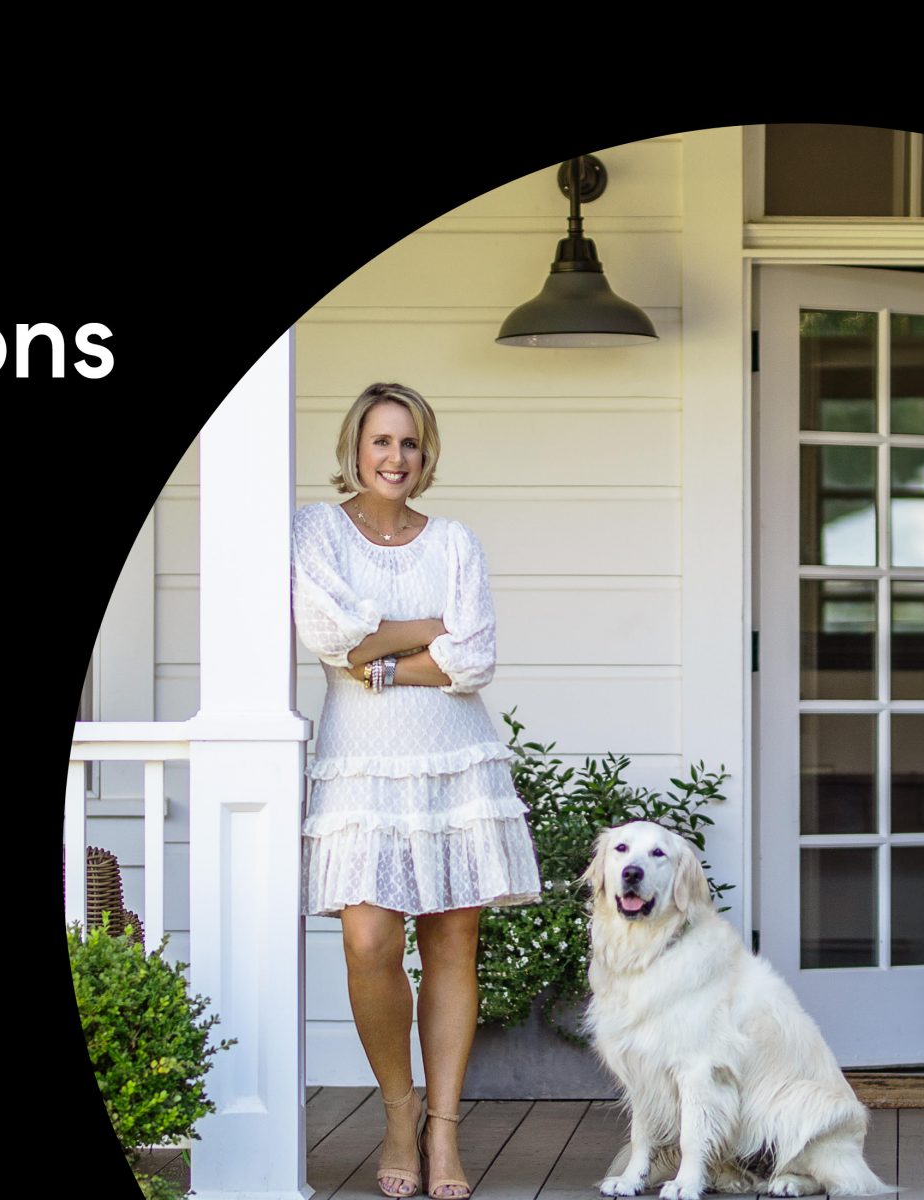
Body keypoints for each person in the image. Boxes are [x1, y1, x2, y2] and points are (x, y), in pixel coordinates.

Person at [293, 382, 541, 1200]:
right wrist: (430, 627)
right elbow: (332, 636)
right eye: (380, 442)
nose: (395, 458)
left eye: (409, 444)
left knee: (449, 943)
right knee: (369, 940)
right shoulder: (316, 530)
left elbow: (474, 662)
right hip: (361, 766)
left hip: (454, 760)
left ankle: (442, 1133)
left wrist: (387, 659)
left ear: (425, 455)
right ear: (354, 450)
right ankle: (398, 1111)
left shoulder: (456, 542)